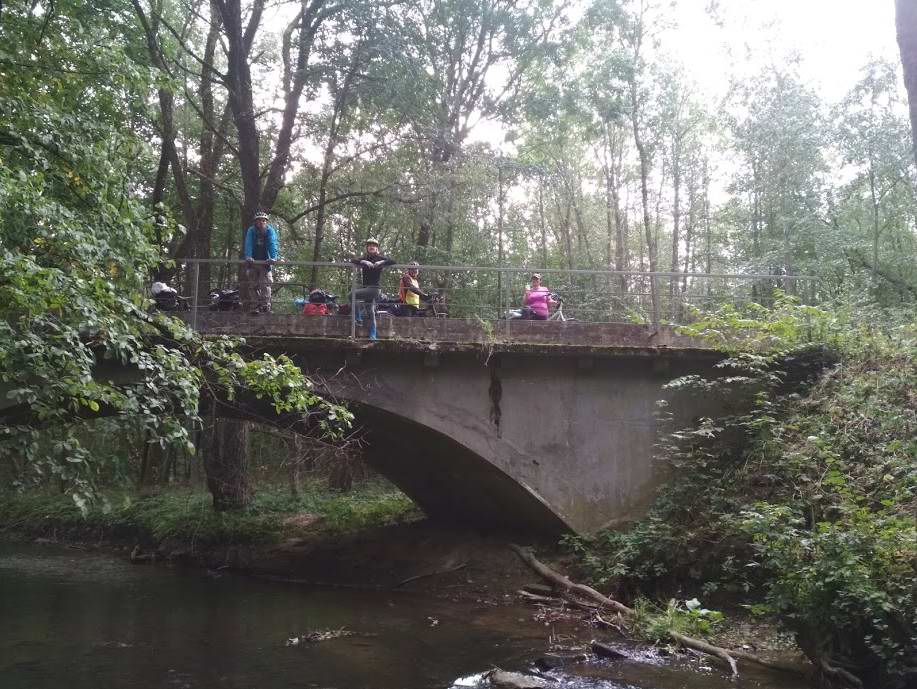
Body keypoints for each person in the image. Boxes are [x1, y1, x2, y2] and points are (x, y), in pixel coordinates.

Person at [349, 237, 395, 340]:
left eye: (374, 246)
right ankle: (373, 335)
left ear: (377, 248)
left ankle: (358, 318)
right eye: (369, 246)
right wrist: (364, 262)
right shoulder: (364, 258)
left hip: (375, 289)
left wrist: (381, 263)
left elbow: (393, 261)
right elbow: (353, 260)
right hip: (366, 288)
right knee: (370, 311)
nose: (371, 247)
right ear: (367, 248)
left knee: (351, 294)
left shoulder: (379, 258)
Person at [243, 210, 279, 313]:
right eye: (259, 221)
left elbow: (272, 243)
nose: (261, 223)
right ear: (255, 222)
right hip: (253, 262)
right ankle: (255, 306)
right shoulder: (251, 231)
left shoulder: (269, 231)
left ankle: (265, 306)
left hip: (266, 262)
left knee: (266, 284)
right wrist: (248, 256)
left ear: (266, 222)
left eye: (263, 221)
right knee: (253, 284)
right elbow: (248, 243)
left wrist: (273, 257)